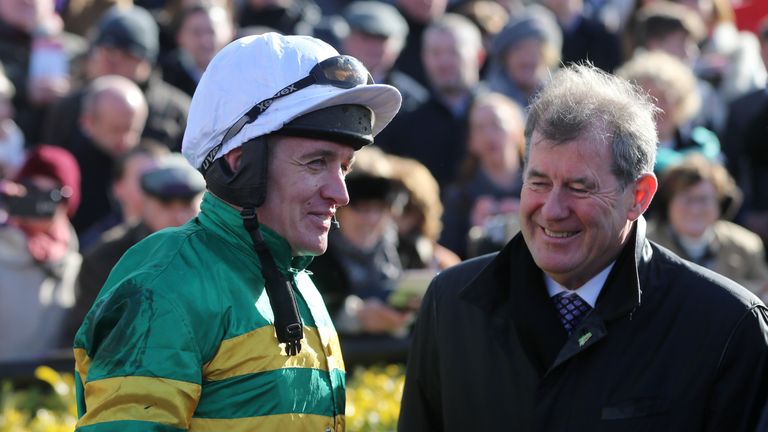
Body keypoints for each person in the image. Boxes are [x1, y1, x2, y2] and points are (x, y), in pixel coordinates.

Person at [398, 63, 768, 430]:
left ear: (638, 196)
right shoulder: (451, 304)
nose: (553, 210)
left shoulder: (728, 327)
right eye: (539, 182)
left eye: (580, 187)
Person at [73, 32, 401, 430]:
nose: (341, 194)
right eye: (316, 162)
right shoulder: (164, 285)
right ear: (238, 164)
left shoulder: (298, 278)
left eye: (344, 167)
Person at [67, 154, 205, 343]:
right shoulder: (106, 259)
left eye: (187, 204)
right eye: (167, 205)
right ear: (146, 204)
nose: (179, 216)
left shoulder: (217, 253)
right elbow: (89, 338)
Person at [308, 145, 413, 369]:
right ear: (339, 207)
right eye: (361, 208)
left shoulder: (408, 250)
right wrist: (354, 316)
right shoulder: (312, 255)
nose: (371, 219)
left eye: (380, 208)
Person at [43, 5, 191, 152]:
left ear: (146, 63)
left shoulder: (174, 114)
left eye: (126, 55)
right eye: (105, 52)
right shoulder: (69, 109)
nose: (111, 63)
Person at [377, 13, 486, 188]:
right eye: (435, 53)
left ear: (479, 57)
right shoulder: (405, 124)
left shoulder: (505, 116)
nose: (443, 62)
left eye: (453, 52)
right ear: (424, 58)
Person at [0, 145, 81, 363]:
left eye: (52, 195)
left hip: (53, 392)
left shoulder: (79, 267)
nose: (39, 202)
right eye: (31, 190)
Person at [647, 154, 768, 300]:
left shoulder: (746, 246)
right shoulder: (644, 246)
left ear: (720, 204)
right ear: (667, 203)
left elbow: (763, 293)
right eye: (687, 199)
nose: (695, 209)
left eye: (703, 199)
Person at [439, 92, 526, 259]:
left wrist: (531, 220)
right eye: (480, 128)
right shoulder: (459, 197)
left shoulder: (542, 188)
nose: (488, 135)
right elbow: (448, 260)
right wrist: (473, 230)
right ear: (471, 141)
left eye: (497, 124)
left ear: (518, 131)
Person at [63, 74, 149, 235]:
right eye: (115, 130)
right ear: (87, 122)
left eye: (132, 130)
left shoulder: (147, 160)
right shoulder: (70, 167)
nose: (126, 140)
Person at [341, 0, 428, 113]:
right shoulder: (326, 85)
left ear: (399, 46)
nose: (373, 47)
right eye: (366, 37)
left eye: (382, 39)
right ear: (347, 40)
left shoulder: (412, 101)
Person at [159, 3, 234, 97]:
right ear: (180, 37)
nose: (205, 41)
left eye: (211, 31)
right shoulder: (167, 80)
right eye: (196, 32)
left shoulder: (245, 77)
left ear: (231, 31)